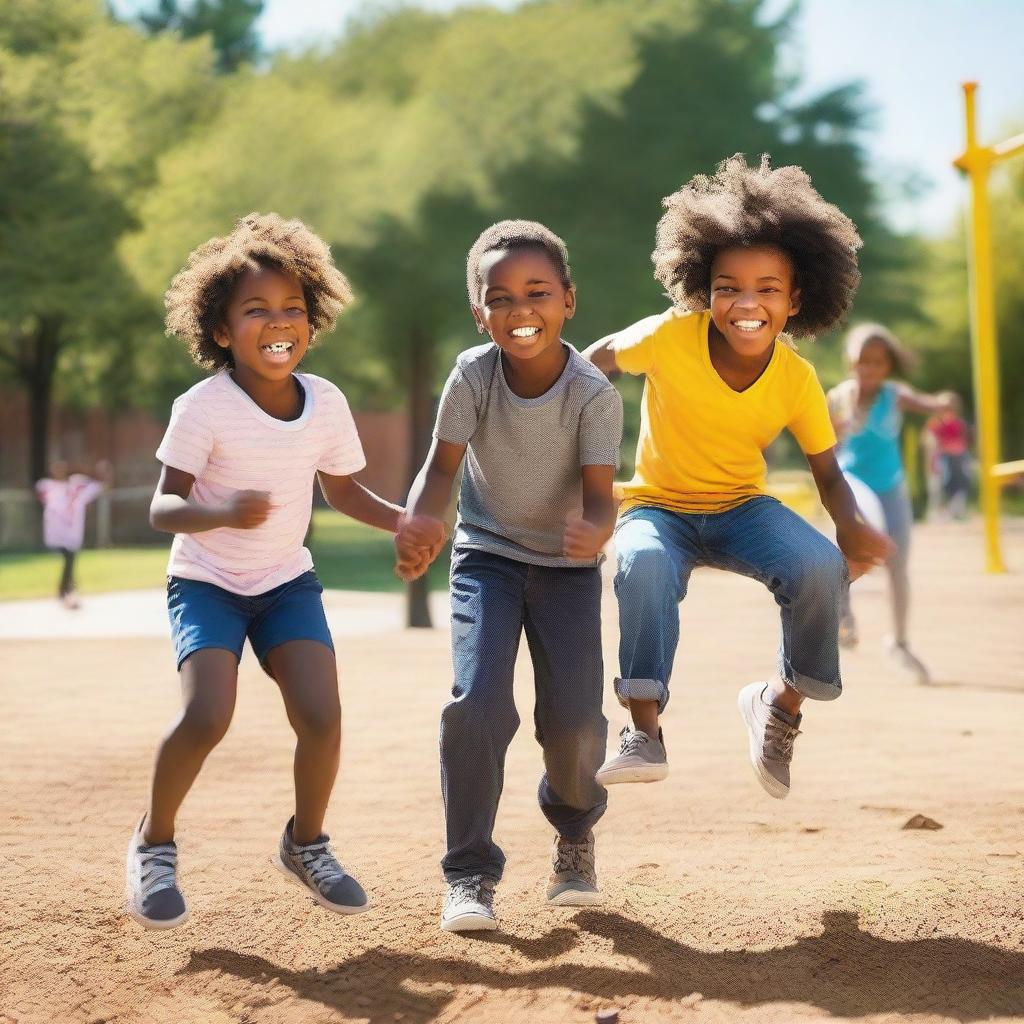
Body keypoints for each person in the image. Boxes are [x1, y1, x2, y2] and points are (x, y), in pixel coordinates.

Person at [126, 213, 418, 930]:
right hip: (207, 583)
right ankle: (153, 843)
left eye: (292, 309)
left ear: (312, 323)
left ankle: (306, 844)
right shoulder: (203, 407)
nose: (278, 322)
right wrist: (219, 512)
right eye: (256, 310)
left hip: (286, 582)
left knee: (322, 717)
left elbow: (343, 491)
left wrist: (404, 523)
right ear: (222, 331)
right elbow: (164, 507)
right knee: (206, 715)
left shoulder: (325, 403)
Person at [583, 154, 893, 800]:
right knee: (637, 565)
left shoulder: (796, 380)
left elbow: (829, 474)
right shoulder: (672, 336)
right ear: (704, 287)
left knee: (818, 568)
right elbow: (594, 363)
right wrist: (569, 455)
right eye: (728, 286)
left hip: (741, 507)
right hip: (657, 507)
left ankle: (778, 707)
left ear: (796, 299)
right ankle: (643, 729)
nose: (746, 303)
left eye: (768, 289)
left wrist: (853, 529)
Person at [394, 220, 622, 933]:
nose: (521, 311)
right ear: (479, 311)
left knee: (575, 723)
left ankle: (574, 838)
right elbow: (440, 467)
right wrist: (419, 521)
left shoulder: (594, 394)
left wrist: (596, 524)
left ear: (569, 301)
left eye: (538, 293)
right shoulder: (472, 374)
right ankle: (468, 875)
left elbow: (600, 490)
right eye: (501, 298)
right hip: (486, 558)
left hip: (566, 570)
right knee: (478, 705)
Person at [828, 324, 957, 683]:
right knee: (863, 543)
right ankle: (843, 615)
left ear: (887, 365)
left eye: (876, 363)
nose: (868, 370)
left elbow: (929, 403)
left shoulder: (894, 394)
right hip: (852, 483)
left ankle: (899, 641)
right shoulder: (839, 396)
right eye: (861, 363)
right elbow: (821, 439)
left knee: (898, 563)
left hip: (892, 486)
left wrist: (943, 403)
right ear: (850, 362)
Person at [35, 459, 112, 608]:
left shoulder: (77, 485)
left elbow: (102, 486)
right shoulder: (47, 486)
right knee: (68, 560)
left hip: (72, 534)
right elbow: (38, 493)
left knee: (70, 560)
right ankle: (67, 589)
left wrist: (105, 472)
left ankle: (66, 589)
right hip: (56, 533)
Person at [928, 394, 972, 520]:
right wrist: (933, 460)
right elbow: (933, 445)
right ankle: (940, 512)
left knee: (960, 483)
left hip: (957, 458)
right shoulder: (936, 424)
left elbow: (962, 443)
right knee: (942, 484)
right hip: (944, 458)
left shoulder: (959, 424)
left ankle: (956, 511)